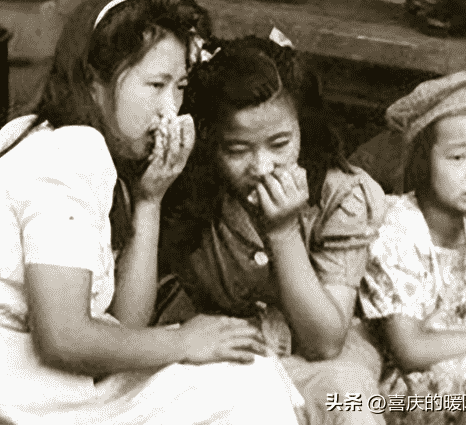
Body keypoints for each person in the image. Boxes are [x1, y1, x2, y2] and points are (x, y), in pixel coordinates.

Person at [0, 0, 305, 423]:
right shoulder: (71, 152)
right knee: (246, 382)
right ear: (93, 81)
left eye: (179, 87)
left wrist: (149, 200)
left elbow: (126, 325)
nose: (169, 110)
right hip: (14, 384)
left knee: (248, 370)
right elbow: (62, 338)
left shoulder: (84, 147)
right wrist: (183, 341)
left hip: (40, 380)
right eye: (155, 85)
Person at [158, 34, 387, 425]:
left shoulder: (340, 195)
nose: (262, 167)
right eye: (237, 150)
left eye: (280, 144)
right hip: (232, 356)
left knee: (349, 399)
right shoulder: (192, 192)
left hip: (323, 359)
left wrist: (283, 232)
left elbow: (325, 343)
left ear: (303, 129)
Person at [359, 71, 466, 425]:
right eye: (458, 157)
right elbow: (410, 349)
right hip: (400, 392)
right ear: (422, 160)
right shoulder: (398, 228)